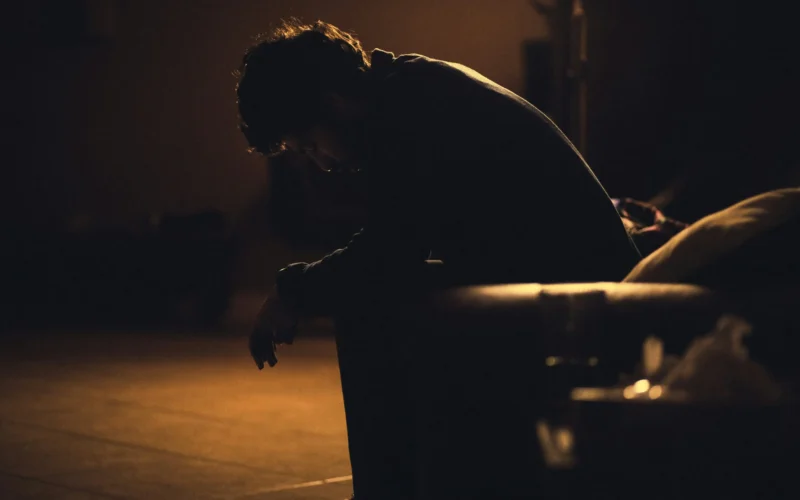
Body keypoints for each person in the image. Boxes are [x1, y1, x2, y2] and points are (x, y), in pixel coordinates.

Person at [236, 18, 640, 497]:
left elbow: (388, 254)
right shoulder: (406, 90)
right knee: (377, 290)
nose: (320, 162)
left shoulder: (410, 113)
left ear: (333, 104)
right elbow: (396, 243)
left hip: (586, 302)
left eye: (309, 144)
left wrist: (292, 290)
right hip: (555, 283)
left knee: (367, 301)